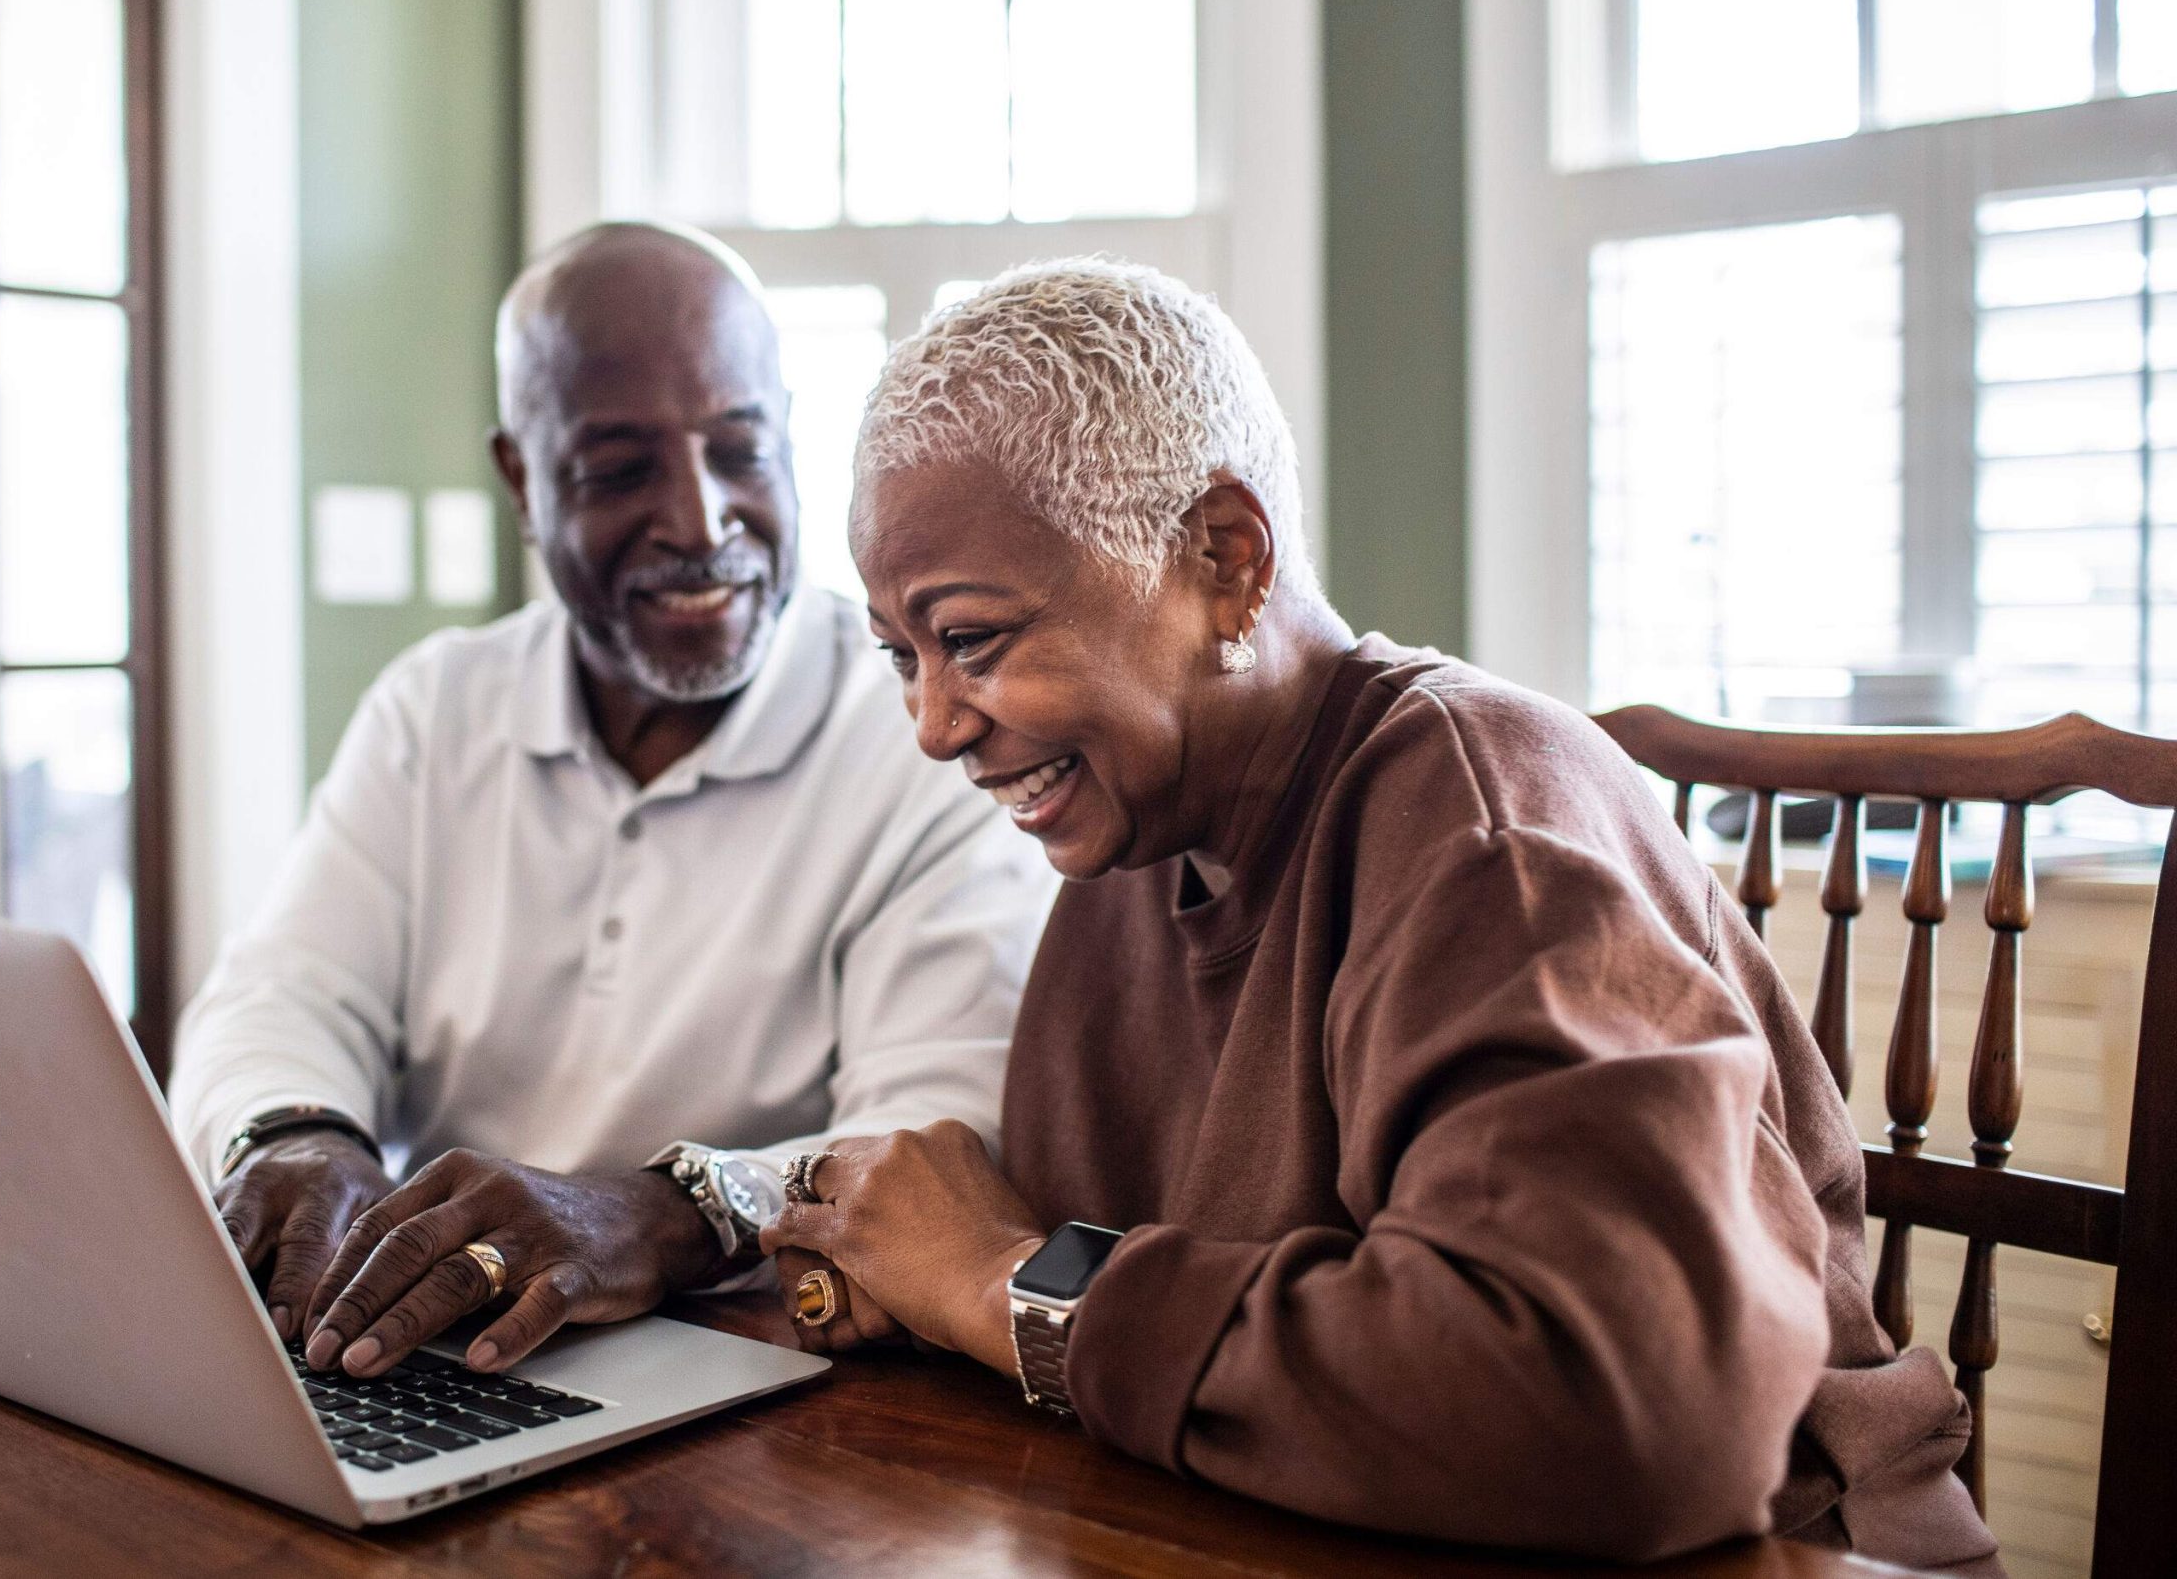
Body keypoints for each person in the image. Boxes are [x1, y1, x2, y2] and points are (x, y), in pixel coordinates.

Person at [760, 260, 1998, 1572]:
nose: (936, 727)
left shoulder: (1486, 822)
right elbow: (1107, 1287)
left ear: (1224, 562)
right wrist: (941, 1279)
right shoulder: (1129, 844)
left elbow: (1622, 1411)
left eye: (976, 639)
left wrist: (1016, 1290)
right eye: (902, 654)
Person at [169, 223, 1054, 1384]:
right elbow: (280, 995)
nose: (698, 523)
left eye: (740, 451)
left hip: (759, 1381)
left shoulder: (925, 733)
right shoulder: (437, 710)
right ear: (521, 482)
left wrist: (671, 1213)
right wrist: (295, 1133)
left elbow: (938, 1144)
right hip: (425, 1358)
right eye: (620, 471)